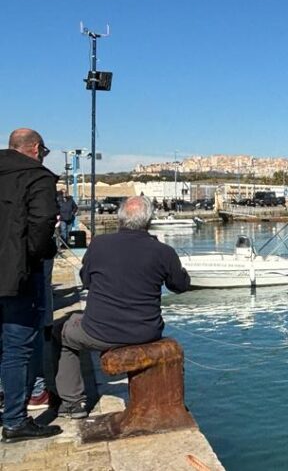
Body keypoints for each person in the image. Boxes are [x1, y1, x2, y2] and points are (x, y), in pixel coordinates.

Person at [55, 196, 191, 419]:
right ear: (148, 220)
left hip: (99, 332)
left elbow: (86, 281)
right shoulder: (163, 252)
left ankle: (73, 403)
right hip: (146, 332)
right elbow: (180, 286)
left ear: (120, 219)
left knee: (60, 334)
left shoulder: (99, 244)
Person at [0, 128, 62, 442]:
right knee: (17, 348)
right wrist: (40, 253)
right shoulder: (38, 178)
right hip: (18, 275)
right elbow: (41, 225)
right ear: (36, 148)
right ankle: (14, 421)